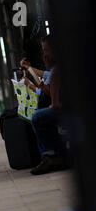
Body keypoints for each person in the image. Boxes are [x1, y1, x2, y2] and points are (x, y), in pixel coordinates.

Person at [20, 35, 67, 175]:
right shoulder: (54, 67)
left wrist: (31, 83)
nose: (44, 54)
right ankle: (52, 154)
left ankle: (51, 155)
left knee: (38, 116)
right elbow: (43, 74)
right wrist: (29, 69)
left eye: (46, 50)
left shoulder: (58, 69)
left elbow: (47, 92)